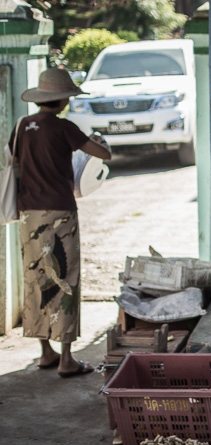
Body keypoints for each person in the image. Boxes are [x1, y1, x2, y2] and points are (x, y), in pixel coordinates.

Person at [10, 68, 112, 377]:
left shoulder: (22, 126)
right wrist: (95, 140)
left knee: (37, 277)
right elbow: (103, 155)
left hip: (28, 214)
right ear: (64, 99)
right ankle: (67, 359)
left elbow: (12, 162)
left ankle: (45, 352)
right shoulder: (65, 128)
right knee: (65, 278)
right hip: (60, 212)